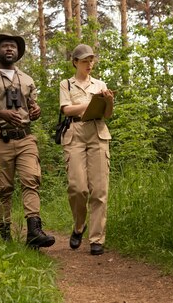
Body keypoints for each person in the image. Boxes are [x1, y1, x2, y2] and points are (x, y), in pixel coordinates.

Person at [0, 33, 55, 249]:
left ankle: (34, 232)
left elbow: (32, 105)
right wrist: (1, 114)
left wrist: (36, 111)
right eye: (5, 46)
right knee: (3, 188)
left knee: (31, 180)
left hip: (26, 137)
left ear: (18, 52)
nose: (10, 49)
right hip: (1, 139)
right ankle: (5, 236)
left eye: (13, 47)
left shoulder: (27, 80)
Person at [59, 43, 114, 255]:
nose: (89, 64)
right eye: (84, 61)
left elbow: (107, 114)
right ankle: (78, 226)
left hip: (98, 132)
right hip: (75, 133)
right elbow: (67, 109)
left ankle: (97, 238)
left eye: (91, 59)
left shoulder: (100, 84)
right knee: (77, 188)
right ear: (75, 62)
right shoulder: (67, 84)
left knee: (99, 190)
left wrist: (108, 100)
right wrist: (91, 102)